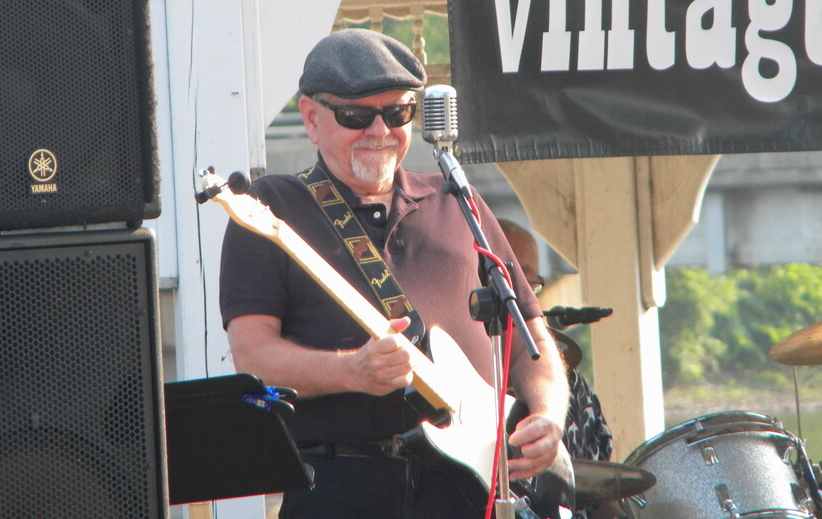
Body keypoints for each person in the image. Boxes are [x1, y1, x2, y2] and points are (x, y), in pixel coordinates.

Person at [218, 28, 570, 518]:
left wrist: (549, 417)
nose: (379, 131)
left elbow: (529, 333)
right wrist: (351, 370)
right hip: (343, 486)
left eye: (398, 113)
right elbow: (253, 357)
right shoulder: (273, 207)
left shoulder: (456, 199)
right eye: (356, 116)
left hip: (469, 489)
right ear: (311, 118)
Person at [498, 219, 621, 519]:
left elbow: (602, 492)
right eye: (507, 278)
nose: (521, 294)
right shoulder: (454, 376)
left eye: (531, 285)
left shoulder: (572, 387)